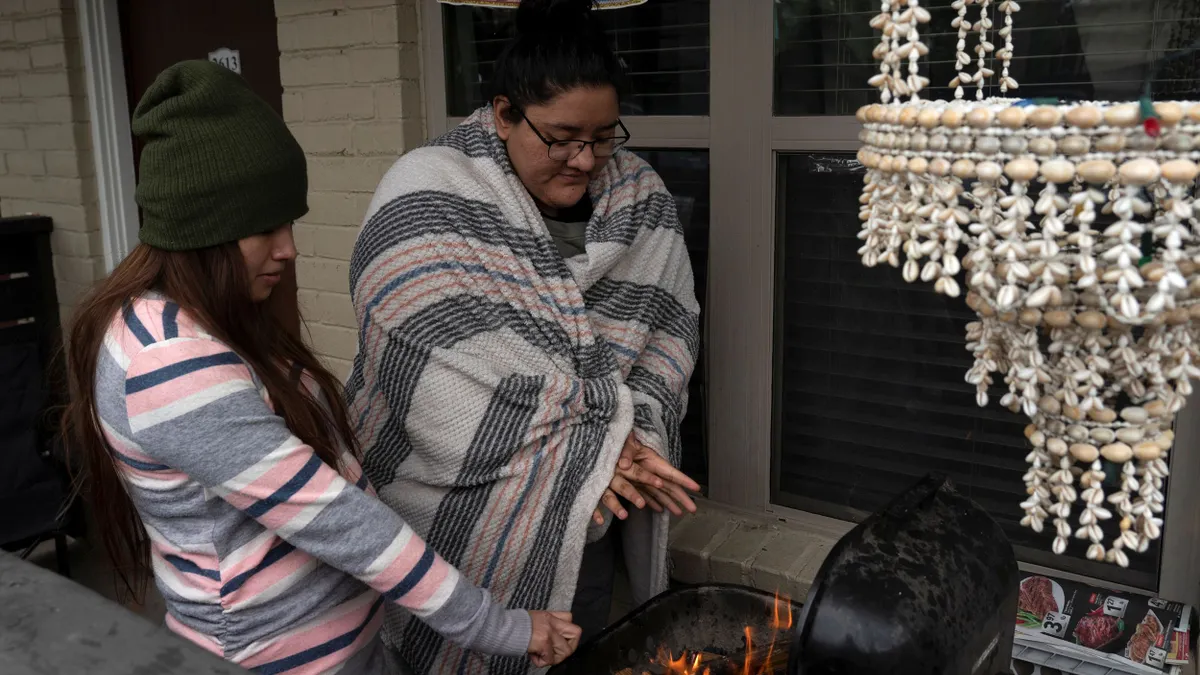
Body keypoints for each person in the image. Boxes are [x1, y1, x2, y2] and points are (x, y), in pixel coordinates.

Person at [60, 60, 580, 675]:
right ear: (204, 230)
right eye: (264, 228)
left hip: (340, 648)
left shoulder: (201, 320)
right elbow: (335, 518)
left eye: (288, 222)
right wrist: (499, 627)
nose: (288, 248)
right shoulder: (170, 361)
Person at [346, 0, 702, 671]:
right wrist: (599, 441)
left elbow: (667, 332)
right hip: (446, 511)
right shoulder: (429, 186)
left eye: (603, 137)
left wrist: (620, 441)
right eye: (562, 137)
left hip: (585, 518)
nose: (584, 160)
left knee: (574, 647)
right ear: (505, 113)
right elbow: (423, 347)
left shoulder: (640, 196)